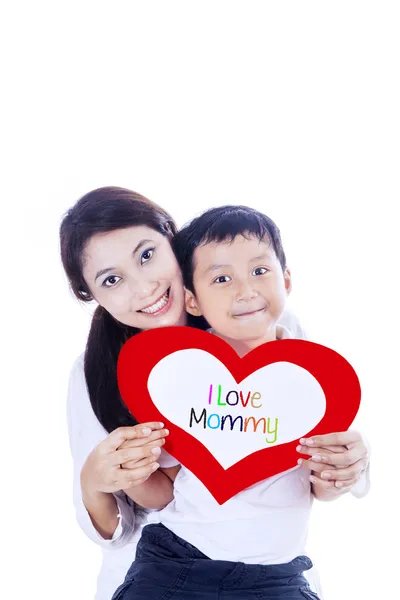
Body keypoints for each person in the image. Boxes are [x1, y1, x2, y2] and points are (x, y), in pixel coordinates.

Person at [60, 188, 370, 600]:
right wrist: (97, 480)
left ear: (171, 239)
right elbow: (128, 522)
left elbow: (313, 461)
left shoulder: (265, 329)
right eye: (112, 280)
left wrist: (348, 467)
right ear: (91, 295)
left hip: (274, 573)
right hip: (168, 571)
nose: (144, 287)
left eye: (147, 255)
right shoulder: (93, 371)